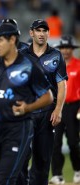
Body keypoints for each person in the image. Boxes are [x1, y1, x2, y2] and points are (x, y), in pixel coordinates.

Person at [0, 22, 53, 185]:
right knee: (14, 177)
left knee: (2, 179)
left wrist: (28, 108)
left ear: (12, 40)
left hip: (19, 128)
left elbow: (48, 97)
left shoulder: (29, 66)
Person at [20, 19, 68, 185]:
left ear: (48, 33)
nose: (42, 34)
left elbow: (62, 85)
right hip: (26, 114)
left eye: (45, 30)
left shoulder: (56, 55)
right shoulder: (22, 56)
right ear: (31, 33)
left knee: (42, 160)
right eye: (38, 30)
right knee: (22, 156)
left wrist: (59, 110)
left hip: (47, 114)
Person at [49, 35, 80, 184]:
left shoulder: (79, 65)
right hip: (57, 107)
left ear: (72, 49)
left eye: (68, 48)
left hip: (74, 107)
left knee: (73, 142)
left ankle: (78, 170)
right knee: (55, 142)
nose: (65, 51)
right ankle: (57, 175)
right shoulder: (54, 66)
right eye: (63, 48)